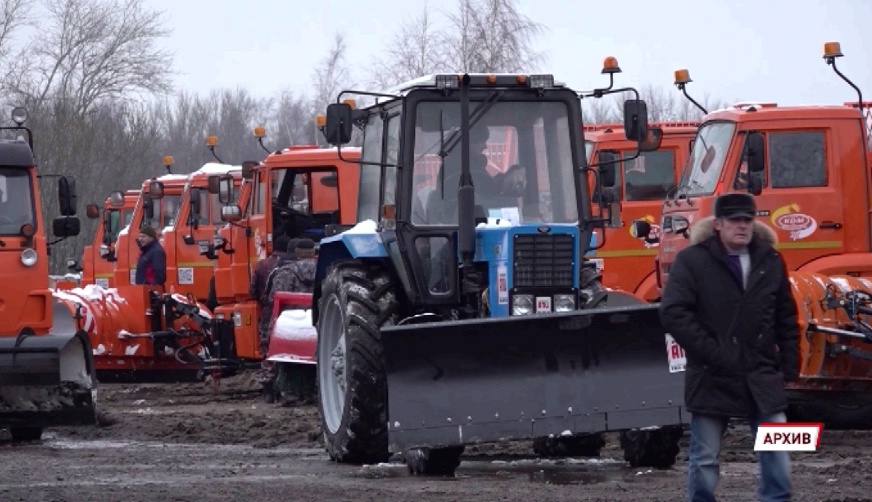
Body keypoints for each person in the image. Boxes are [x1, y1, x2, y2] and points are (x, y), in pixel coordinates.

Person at [659, 192, 799, 502]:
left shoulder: (770, 259)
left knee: (777, 449)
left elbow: (786, 316)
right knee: (705, 457)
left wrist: (790, 365)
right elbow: (673, 313)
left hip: (761, 372)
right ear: (718, 224)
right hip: (712, 374)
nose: (742, 226)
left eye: (747, 220)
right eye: (735, 220)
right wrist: (712, 352)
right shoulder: (692, 261)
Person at [258, 238, 317, 404]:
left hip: (290, 326)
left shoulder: (285, 272)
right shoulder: (326, 270)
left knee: (285, 361)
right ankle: (311, 393)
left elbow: (273, 299)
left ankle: (280, 393)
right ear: (314, 252)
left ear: (296, 253)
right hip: (316, 324)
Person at [251, 234, 293, 403]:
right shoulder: (293, 265)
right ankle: (285, 388)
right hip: (291, 313)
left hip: (268, 314)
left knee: (267, 350)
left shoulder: (263, 265)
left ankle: (268, 390)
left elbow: (252, 290)